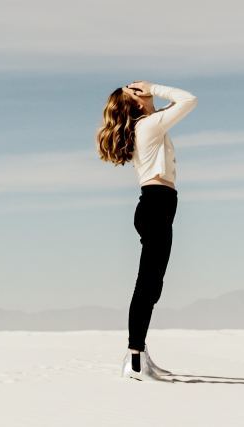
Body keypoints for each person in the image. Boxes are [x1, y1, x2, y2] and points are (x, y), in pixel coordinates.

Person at [94, 80, 198, 382]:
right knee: (147, 286)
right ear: (136, 103)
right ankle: (135, 360)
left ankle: (140, 355)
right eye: (135, 90)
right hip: (156, 207)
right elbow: (188, 99)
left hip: (158, 207)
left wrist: (151, 96)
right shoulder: (149, 126)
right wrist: (154, 86)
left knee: (152, 287)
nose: (141, 89)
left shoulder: (150, 124)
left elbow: (175, 106)